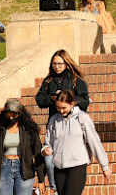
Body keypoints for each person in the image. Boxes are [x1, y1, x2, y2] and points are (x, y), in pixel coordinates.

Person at [34, 50, 89, 193]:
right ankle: (54, 188)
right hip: (55, 124)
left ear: (66, 63)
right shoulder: (48, 81)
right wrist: (53, 99)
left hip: (73, 125)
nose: (56, 67)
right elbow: (39, 99)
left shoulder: (76, 80)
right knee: (49, 160)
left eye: (59, 63)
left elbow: (85, 100)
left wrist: (68, 101)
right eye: (54, 64)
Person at [42, 90, 111, 195]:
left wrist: (104, 165)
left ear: (72, 104)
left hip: (77, 165)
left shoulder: (82, 118)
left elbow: (94, 141)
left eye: (64, 108)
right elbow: (48, 142)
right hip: (59, 167)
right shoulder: (54, 120)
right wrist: (45, 149)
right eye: (58, 108)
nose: (61, 111)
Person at [0, 98, 46, 195]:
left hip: (24, 169)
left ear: (20, 114)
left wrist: (41, 179)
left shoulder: (29, 129)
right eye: (8, 113)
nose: (11, 117)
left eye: (14, 114)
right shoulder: (0, 129)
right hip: (4, 168)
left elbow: (38, 152)